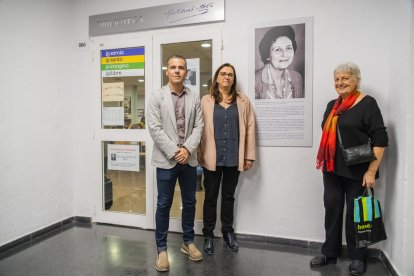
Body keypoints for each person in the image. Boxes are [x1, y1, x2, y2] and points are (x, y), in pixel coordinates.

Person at [312, 62, 388, 276]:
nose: (340, 83)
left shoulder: (367, 103)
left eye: (345, 78)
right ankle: (329, 253)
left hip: (358, 171)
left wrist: (371, 171)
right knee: (332, 210)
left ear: (356, 80)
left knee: (357, 215)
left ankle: (357, 257)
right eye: (336, 79)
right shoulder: (332, 105)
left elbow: (381, 139)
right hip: (332, 169)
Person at [147, 55, 204, 272]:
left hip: (188, 160)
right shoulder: (156, 96)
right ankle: (162, 249)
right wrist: (174, 151)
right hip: (166, 160)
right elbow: (155, 128)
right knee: (163, 204)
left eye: (181, 68)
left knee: (189, 202)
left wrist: (187, 149)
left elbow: (199, 127)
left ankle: (187, 242)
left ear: (186, 72)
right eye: (173, 67)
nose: (177, 71)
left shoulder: (194, 96)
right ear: (167, 71)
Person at [198, 63, 256, 254]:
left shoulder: (243, 101)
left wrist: (249, 156)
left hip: (233, 156)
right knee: (210, 197)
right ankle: (208, 234)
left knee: (228, 196)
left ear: (233, 79)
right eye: (223, 74)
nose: (226, 77)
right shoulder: (206, 101)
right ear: (216, 77)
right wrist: (199, 153)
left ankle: (227, 232)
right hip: (211, 157)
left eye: (230, 74)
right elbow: (198, 129)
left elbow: (249, 129)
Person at [255, 25, 304, 99]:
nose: (285, 54)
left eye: (288, 48)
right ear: (267, 55)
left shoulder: (297, 78)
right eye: (278, 49)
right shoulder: (255, 80)